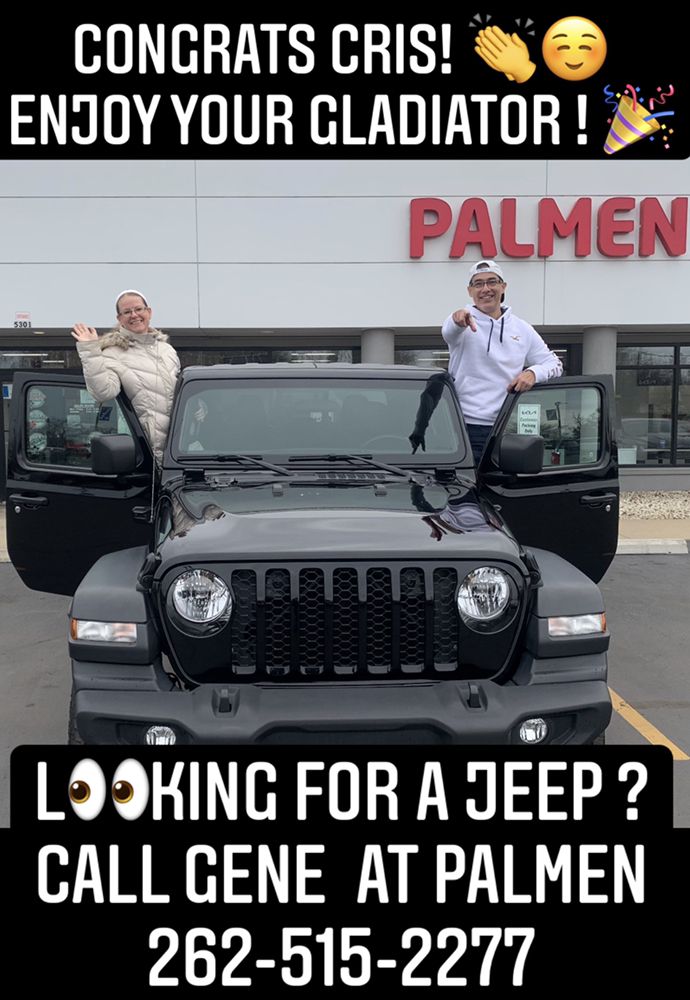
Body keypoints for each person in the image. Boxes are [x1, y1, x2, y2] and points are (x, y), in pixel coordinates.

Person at [442, 260, 563, 462]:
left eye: (492, 282)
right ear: (470, 291)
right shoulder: (461, 323)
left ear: (503, 286)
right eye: (478, 284)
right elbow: (449, 331)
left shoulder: (522, 328)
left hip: (507, 427)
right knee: (465, 483)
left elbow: (555, 364)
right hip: (463, 428)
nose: (485, 289)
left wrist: (533, 373)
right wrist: (457, 320)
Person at [71, 290, 180, 463]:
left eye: (139, 309)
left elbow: (178, 392)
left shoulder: (167, 350)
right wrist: (90, 350)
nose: (134, 315)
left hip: (180, 449)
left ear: (149, 312)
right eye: (127, 312)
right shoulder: (113, 353)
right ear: (120, 318)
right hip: (150, 454)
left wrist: (197, 409)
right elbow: (103, 392)